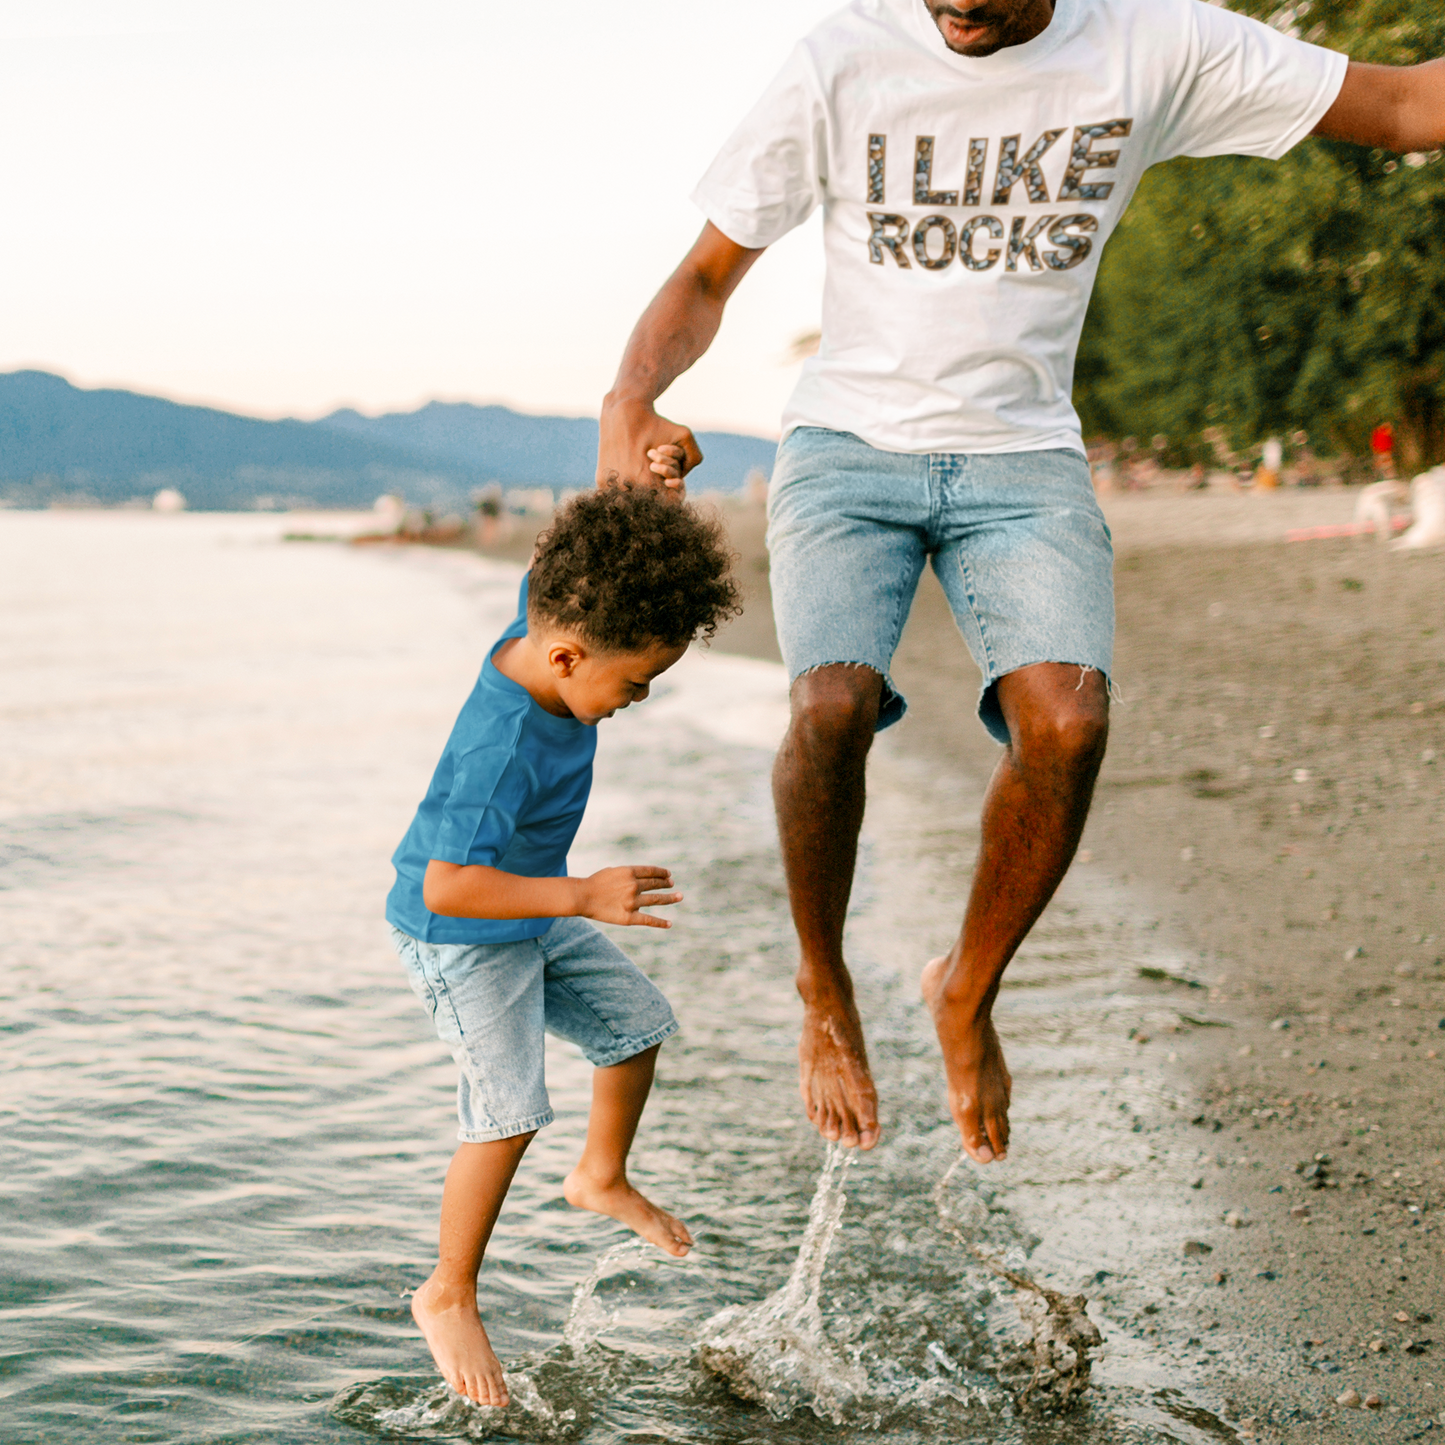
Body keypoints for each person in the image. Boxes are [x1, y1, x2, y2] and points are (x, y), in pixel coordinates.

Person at [596, 0, 1445, 1164]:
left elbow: (1405, 106)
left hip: (1022, 459)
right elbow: (704, 273)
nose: (952, 12)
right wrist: (626, 396)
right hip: (847, 448)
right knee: (828, 705)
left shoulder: (1153, 46)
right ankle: (824, 986)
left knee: (1067, 719)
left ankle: (965, 990)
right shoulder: (843, 58)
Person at [385, 487, 739, 1406]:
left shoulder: (556, 618)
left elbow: (583, 555)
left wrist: (652, 487)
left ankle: (599, 1176)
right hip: (462, 935)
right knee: (507, 1109)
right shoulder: (502, 744)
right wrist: (583, 894)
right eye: (633, 683)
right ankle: (447, 1289)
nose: (636, 700)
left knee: (635, 1024)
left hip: (528, 913)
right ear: (568, 657)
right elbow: (446, 884)